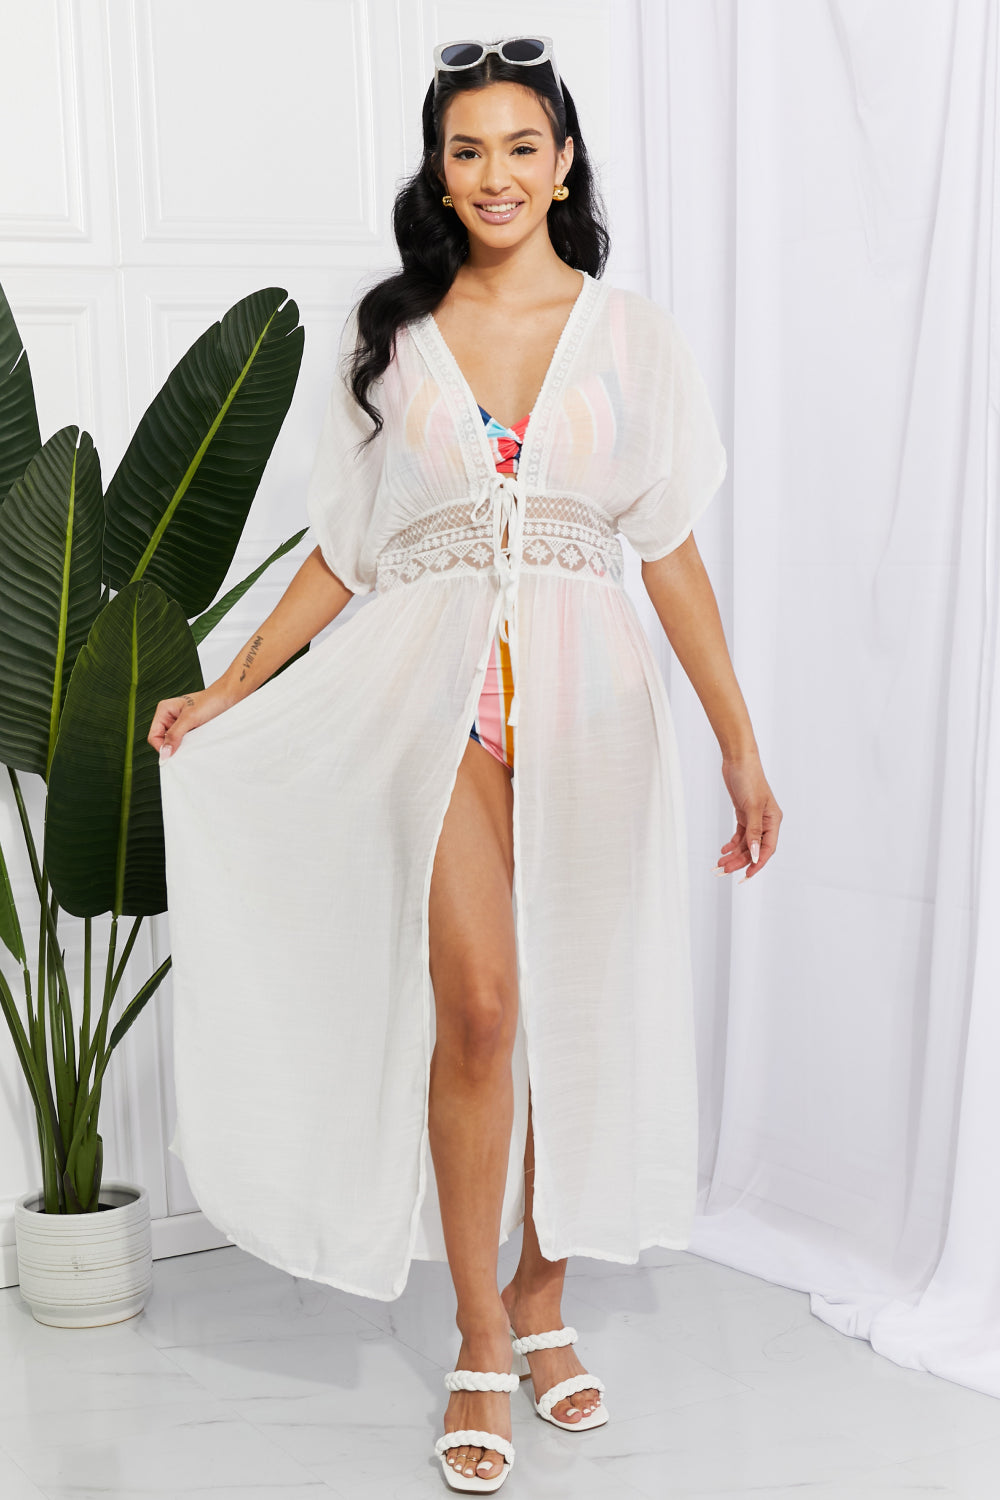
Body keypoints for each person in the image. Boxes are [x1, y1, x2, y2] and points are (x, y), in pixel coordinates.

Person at [149, 34, 781, 1495]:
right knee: (483, 1007)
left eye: (519, 147)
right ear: (439, 176)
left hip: (593, 701)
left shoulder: (631, 338)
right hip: (427, 704)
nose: (494, 175)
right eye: (465, 151)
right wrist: (231, 685)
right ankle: (479, 1330)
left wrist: (743, 748)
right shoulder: (395, 336)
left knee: (577, 1012)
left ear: (563, 164)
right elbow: (347, 549)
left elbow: (670, 552)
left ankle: (544, 1299)